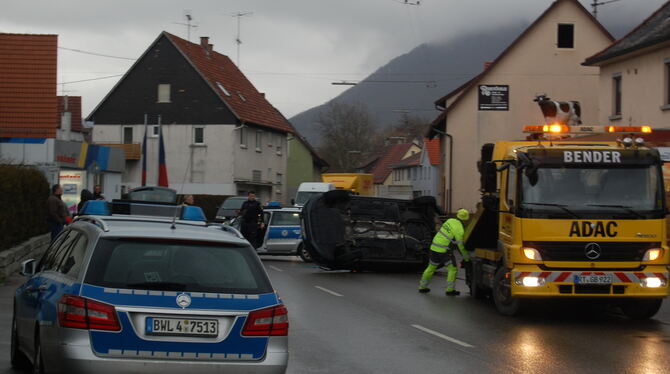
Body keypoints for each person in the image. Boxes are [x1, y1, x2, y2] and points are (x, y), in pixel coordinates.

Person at [418, 209, 471, 296]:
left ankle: (422, 287)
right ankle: (450, 290)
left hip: (434, 247)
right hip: (444, 250)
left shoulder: (450, 220)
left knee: (431, 268)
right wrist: (466, 258)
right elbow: (460, 246)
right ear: (465, 219)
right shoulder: (459, 229)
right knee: (452, 269)